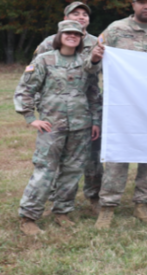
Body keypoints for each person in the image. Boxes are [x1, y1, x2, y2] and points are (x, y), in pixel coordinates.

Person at [87, 0, 147, 229]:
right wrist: (95, 58)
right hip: (123, 107)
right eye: (142, 3)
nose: (146, 7)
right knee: (118, 156)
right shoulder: (115, 30)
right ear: (134, 5)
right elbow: (90, 65)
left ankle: (143, 203)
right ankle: (107, 207)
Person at [15, 20, 102, 235]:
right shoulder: (45, 60)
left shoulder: (85, 62)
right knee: (45, 170)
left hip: (80, 126)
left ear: (82, 38)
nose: (72, 36)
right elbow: (25, 89)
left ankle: (62, 211)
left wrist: (95, 121)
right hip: (52, 127)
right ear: (59, 36)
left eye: (77, 33)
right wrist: (29, 117)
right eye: (68, 33)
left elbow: (93, 93)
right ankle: (29, 216)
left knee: (72, 171)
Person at [32, 1, 104, 213]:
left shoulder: (96, 43)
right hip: (55, 114)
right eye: (75, 13)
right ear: (64, 19)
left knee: (90, 159)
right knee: (53, 158)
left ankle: (93, 195)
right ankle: (52, 196)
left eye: (84, 14)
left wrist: (95, 117)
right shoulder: (48, 44)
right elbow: (36, 80)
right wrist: (40, 112)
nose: (81, 17)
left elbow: (93, 85)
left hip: (85, 111)